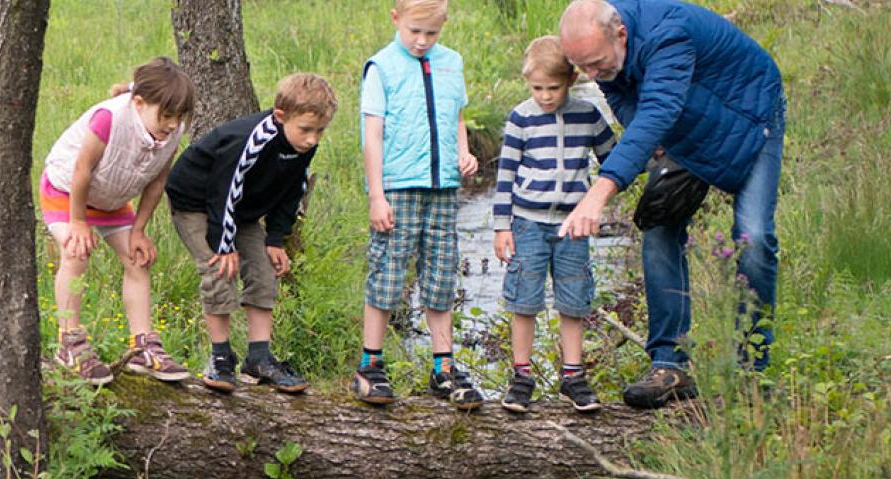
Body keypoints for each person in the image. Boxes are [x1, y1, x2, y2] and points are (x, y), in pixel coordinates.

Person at [557, 0, 786, 408]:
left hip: (748, 117)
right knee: (659, 226)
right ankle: (669, 364)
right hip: (684, 122)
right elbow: (625, 97)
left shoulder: (668, 33)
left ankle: (751, 366)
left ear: (620, 34)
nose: (590, 75)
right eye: (581, 68)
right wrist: (651, 138)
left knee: (754, 236)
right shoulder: (607, 52)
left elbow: (658, 109)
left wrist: (601, 190)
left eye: (593, 63)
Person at [165, 73, 338, 394]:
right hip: (197, 202)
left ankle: (258, 357)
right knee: (219, 267)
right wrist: (223, 243)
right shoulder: (253, 139)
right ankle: (220, 357)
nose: (313, 139)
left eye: (320, 131)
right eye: (306, 130)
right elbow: (223, 189)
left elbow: (291, 190)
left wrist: (275, 239)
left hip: (241, 209)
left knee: (262, 269)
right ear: (281, 115)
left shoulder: (303, 145)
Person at [351, 0, 482, 409]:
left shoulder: (451, 62)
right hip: (398, 186)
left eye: (432, 33)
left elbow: (456, 117)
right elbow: (372, 134)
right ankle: (370, 364)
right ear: (396, 20)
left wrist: (465, 152)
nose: (423, 41)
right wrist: (377, 195)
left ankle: (443, 367)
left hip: (443, 187)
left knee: (441, 274)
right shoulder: (382, 67)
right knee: (389, 271)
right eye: (415, 32)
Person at [38, 56, 196, 387]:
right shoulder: (108, 118)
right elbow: (82, 170)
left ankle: (143, 346)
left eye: (178, 117)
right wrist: (78, 222)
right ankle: (70, 343)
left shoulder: (173, 130)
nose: (171, 124)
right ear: (139, 103)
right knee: (75, 252)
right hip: (68, 191)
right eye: (165, 116)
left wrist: (139, 231)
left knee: (138, 260)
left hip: (110, 198)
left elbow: (156, 182)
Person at [492, 36, 617, 414]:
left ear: (572, 80)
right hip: (527, 223)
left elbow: (612, 159)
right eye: (537, 88)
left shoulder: (588, 114)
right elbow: (505, 175)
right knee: (524, 299)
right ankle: (521, 376)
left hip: (572, 226)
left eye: (554, 88)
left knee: (574, 299)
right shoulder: (521, 118)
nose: (545, 96)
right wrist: (501, 227)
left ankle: (573, 376)